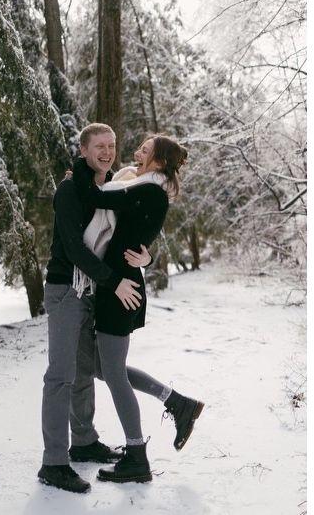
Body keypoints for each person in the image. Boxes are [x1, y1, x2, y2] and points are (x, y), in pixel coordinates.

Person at [71, 135, 205, 485]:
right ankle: (177, 402)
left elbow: (96, 197)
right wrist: (148, 257)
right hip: (118, 283)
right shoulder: (148, 190)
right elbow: (137, 233)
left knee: (113, 374)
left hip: (121, 289)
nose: (136, 154)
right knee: (104, 368)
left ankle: (136, 456)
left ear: (159, 161)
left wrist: (79, 168)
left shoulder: (148, 191)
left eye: (144, 151)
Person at [38, 123, 152, 494]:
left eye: (111, 145)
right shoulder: (71, 189)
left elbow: (127, 236)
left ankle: (84, 441)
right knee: (61, 376)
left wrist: (147, 258)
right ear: (84, 150)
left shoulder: (110, 189)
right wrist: (113, 281)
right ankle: (54, 463)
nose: (106, 152)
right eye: (98, 146)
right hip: (66, 289)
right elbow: (74, 248)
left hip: (91, 291)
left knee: (85, 372)